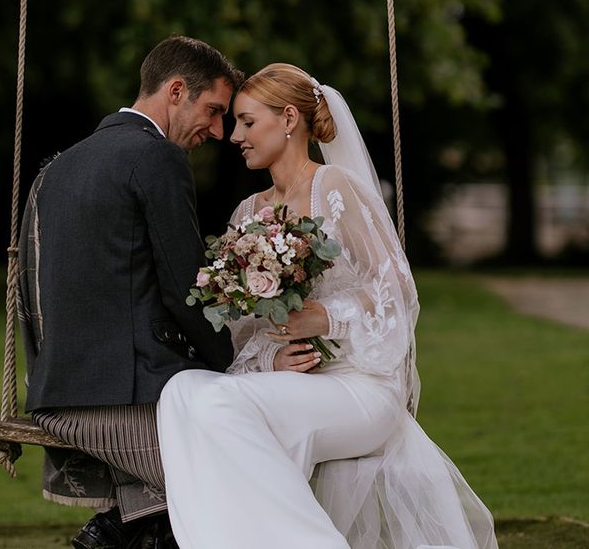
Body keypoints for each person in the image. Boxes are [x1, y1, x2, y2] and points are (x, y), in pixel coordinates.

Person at [158, 63, 499, 548]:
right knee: (181, 391)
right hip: (284, 380)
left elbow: (396, 291)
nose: (235, 136)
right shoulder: (248, 213)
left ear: (290, 119)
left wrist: (327, 317)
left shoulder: (335, 189)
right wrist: (269, 356)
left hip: (357, 384)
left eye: (248, 122)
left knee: (217, 401)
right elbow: (240, 327)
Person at [16, 36, 243, 549]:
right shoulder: (155, 156)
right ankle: (109, 536)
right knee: (241, 470)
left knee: (189, 494)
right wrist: (235, 360)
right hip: (122, 398)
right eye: (213, 111)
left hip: (59, 392)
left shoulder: (59, 166)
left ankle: (113, 533)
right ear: (177, 90)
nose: (218, 130)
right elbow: (187, 289)